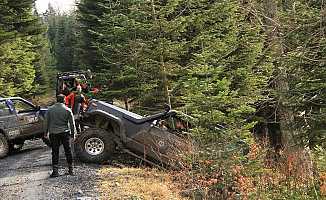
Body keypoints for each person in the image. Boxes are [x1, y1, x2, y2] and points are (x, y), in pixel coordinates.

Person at [44, 94, 77, 178]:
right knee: (68, 151)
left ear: (56, 100)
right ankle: (71, 170)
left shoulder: (50, 110)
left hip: (53, 133)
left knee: (55, 152)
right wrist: (73, 134)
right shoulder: (67, 110)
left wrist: (45, 133)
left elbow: (46, 122)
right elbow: (72, 124)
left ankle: (55, 172)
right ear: (64, 100)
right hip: (64, 133)